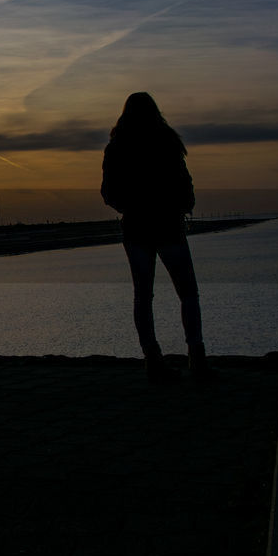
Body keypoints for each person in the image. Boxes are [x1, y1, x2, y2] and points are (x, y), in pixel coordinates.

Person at [101, 91, 211, 380]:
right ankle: (196, 354)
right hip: (167, 226)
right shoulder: (168, 142)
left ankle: (153, 357)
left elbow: (108, 193)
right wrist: (183, 205)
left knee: (144, 296)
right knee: (187, 293)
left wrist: (131, 206)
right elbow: (184, 181)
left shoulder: (117, 147)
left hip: (138, 228)